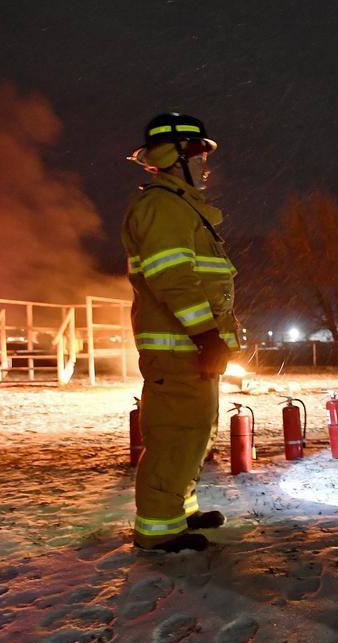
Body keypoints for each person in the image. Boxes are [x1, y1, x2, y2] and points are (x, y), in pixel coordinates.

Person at [123, 113, 239, 553]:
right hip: (181, 348)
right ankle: (158, 529)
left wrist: (213, 340)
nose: (206, 164)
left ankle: (179, 510)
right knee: (175, 433)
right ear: (174, 156)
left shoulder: (180, 205)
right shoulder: (162, 206)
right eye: (198, 154)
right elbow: (173, 278)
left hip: (192, 349)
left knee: (194, 432)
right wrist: (207, 335)